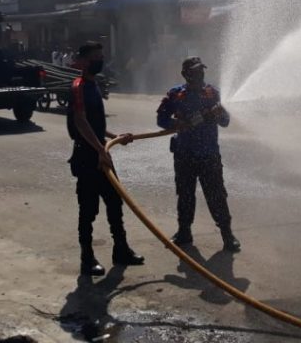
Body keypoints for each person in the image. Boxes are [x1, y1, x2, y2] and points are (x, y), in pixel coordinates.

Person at [67, 41, 143, 276]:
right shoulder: (78, 86)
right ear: (83, 61)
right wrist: (100, 149)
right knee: (88, 209)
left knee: (115, 202)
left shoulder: (94, 85)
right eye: (95, 57)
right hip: (87, 155)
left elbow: (96, 125)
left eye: (101, 56)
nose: (99, 60)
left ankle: (121, 250)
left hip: (100, 151)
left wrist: (114, 137)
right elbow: (80, 121)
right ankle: (87, 258)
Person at [156, 57, 240, 252]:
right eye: (195, 71)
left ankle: (227, 235)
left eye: (201, 70)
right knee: (185, 194)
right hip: (184, 154)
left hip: (208, 154)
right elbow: (161, 119)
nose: (200, 74)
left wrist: (218, 113)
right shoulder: (176, 94)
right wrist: (178, 124)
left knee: (217, 195)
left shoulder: (213, 93)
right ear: (186, 74)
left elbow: (225, 122)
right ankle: (184, 231)